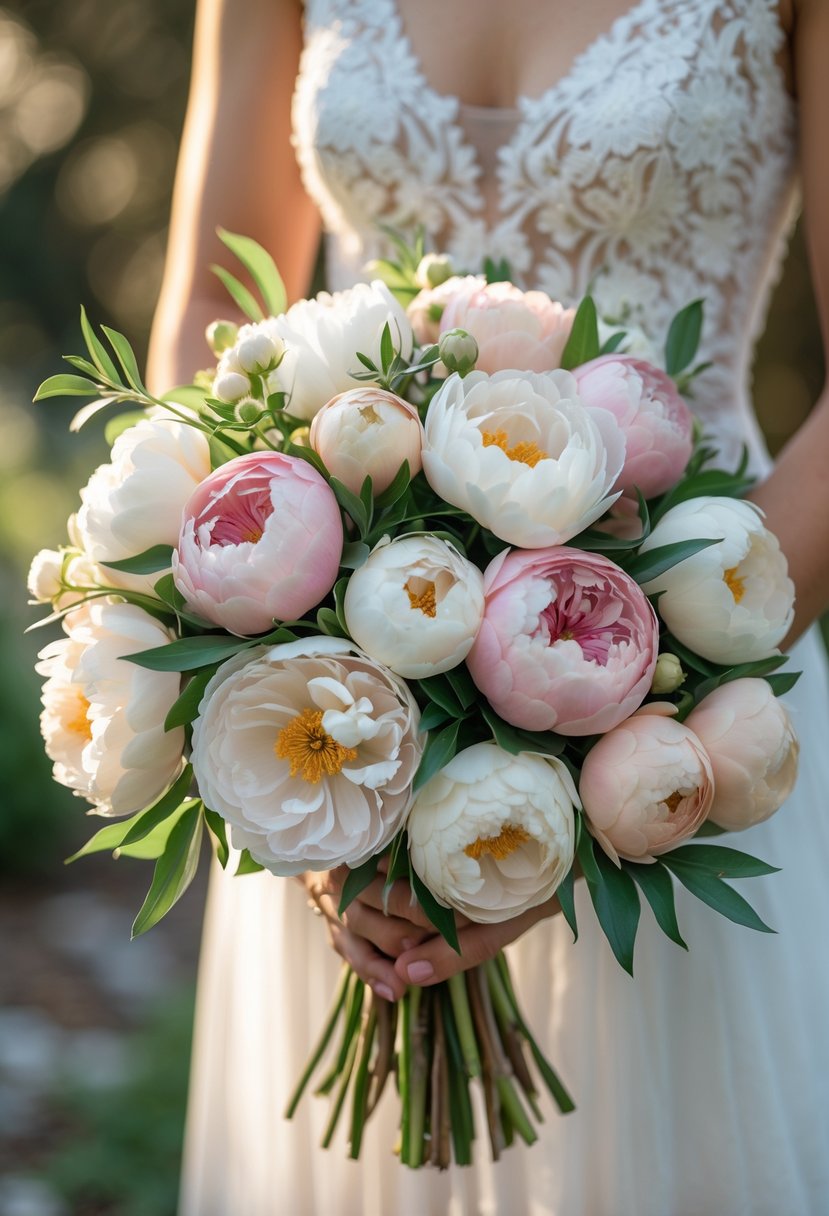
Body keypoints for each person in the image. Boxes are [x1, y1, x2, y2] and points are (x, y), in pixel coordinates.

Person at [147, 1, 829, 1212]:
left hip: (689, 702)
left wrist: (598, 755)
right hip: (333, 717)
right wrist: (326, 753)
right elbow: (213, 300)